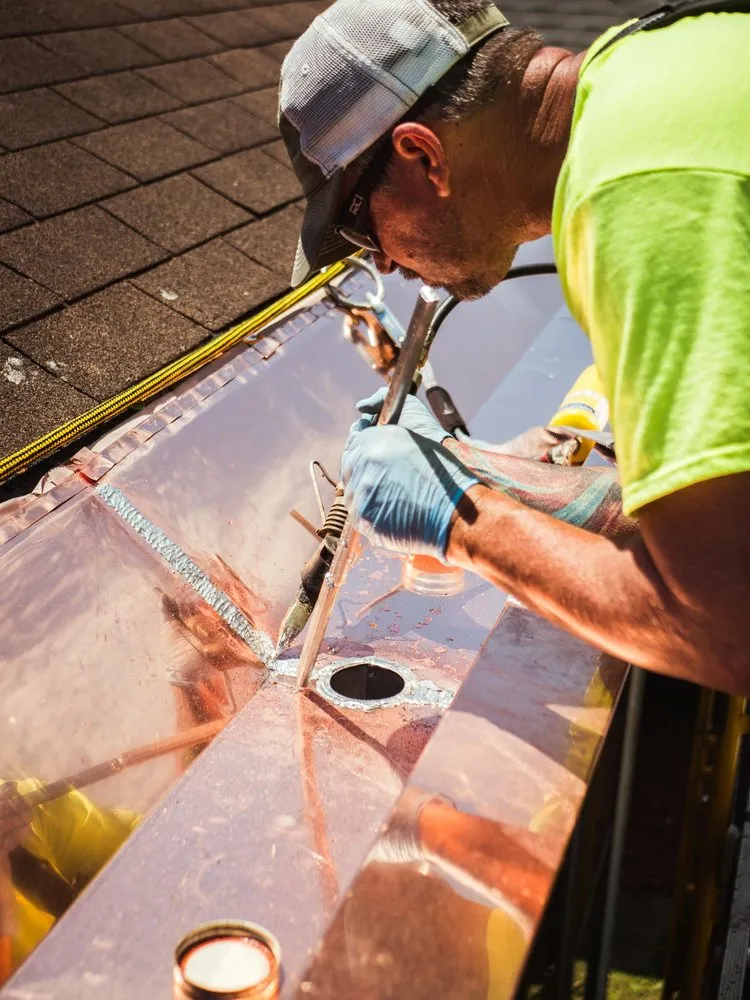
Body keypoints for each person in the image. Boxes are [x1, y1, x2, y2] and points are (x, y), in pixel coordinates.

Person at [279, 0, 750, 696]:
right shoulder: (654, 77)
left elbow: (724, 624)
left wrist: (463, 522)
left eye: (359, 230)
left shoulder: (642, 197)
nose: (382, 264)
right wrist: (477, 470)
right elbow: (722, 517)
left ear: (421, 155)